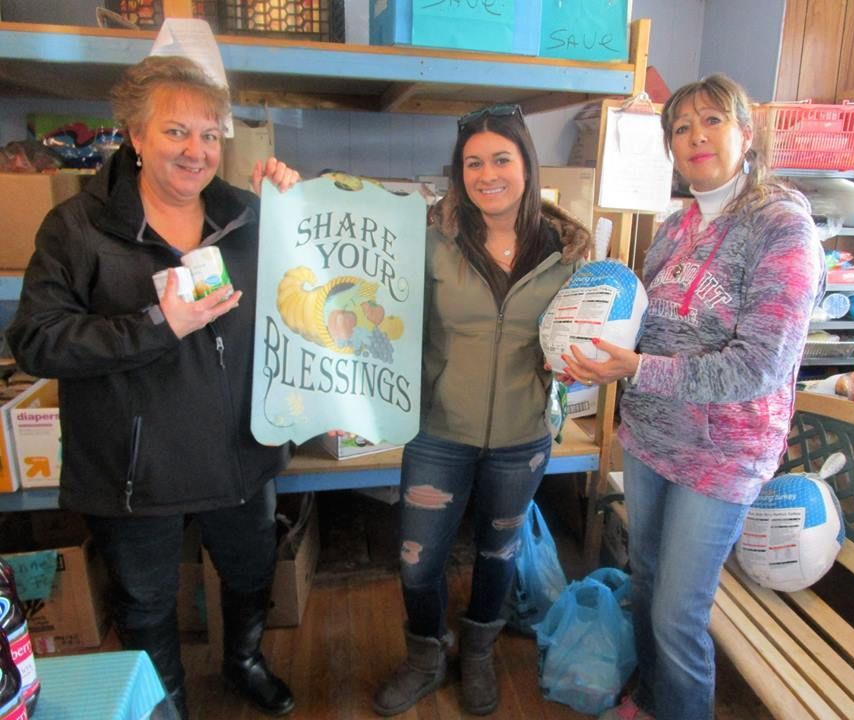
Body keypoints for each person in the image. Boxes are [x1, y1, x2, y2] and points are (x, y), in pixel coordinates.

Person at [6, 55, 301, 720]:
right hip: (136, 469)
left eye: (208, 133)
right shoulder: (78, 228)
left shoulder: (249, 215)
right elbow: (37, 339)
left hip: (242, 453)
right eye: (175, 132)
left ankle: (245, 660)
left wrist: (300, 206)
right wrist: (154, 324)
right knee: (144, 601)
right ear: (134, 136)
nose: (196, 151)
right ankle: (164, 706)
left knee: (252, 571)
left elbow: (306, 297)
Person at [561, 74, 825, 720]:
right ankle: (652, 702)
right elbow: (644, 326)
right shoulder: (676, 226)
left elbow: (760, 366)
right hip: (652, 438)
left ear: (746, 131)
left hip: (723, 455)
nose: (696, 137)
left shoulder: (781, 228)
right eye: (681, 127)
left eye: (712, 121)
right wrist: (588, 344)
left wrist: (637, 369)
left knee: (679, 612)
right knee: (647, 584)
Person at [372, 104, 591, 717]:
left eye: (501, 158)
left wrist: (578, 357)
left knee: (499, 556)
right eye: (472, 162)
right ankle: (424, 657)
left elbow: (577, 338)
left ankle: (478, 654)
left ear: (526, 164)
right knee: (417, 563)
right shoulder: (429, 238)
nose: (487, 173)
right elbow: (383, 310)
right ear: (457, 171)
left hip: (522, 436)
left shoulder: (565, 252)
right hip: (439, 430)